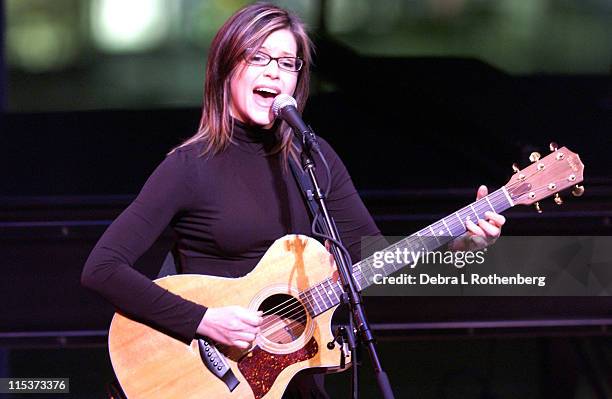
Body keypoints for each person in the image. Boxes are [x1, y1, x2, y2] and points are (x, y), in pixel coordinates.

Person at [81, 2, 505, 398]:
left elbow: (376, 261)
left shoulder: (313, 159)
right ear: (226, 69)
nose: (275, 73)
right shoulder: (189, 166)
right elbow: (102, 269)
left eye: (287, 63)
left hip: (292, 382)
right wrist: (206, 321)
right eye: (259, 58)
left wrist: (460, 245)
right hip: (209, 374)